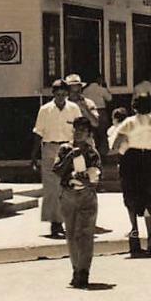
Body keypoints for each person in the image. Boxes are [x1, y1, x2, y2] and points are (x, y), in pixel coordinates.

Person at [52, 116, 101, 289]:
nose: (79, 133)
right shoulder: (65, 149)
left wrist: (86, 179)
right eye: (76, 129)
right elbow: (57, 171)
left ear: (88, 133)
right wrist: (69, 158)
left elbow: (95, 181)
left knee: (85, 234)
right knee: (71, 234)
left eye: (83, 130)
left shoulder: (91, 153)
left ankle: (84, 272)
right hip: (68, 195)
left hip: (86, 195)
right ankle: (76, 268)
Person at [111, 96, 151, 257]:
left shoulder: (129, 122)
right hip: (149, 159)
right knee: (148, 197)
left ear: (134, 107)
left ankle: (134, 233)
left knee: (130, 195)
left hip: (131, 159)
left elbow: (114, 145)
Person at [32, 79, 82, 238]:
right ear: (53, 94)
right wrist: (34, 156)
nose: (61, 97)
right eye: (58, 94)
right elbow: (38, 133)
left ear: (67, 94)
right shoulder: (45, 110)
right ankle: (55, 223)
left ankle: (69, 220)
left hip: (69, 148)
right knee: (52, 188)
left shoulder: (73, 109)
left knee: (70, 186)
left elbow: (80, 130)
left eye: (63, 94)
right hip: (50, 148)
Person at [81, 74, 115, 155]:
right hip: (101, 112)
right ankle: (103, 154)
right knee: (103, 134)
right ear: (99, 79)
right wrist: (106, 88)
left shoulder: (85, 90)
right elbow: (109, 98)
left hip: (89, 112)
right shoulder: (101, 89)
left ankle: (92, 153)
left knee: (92, 134)